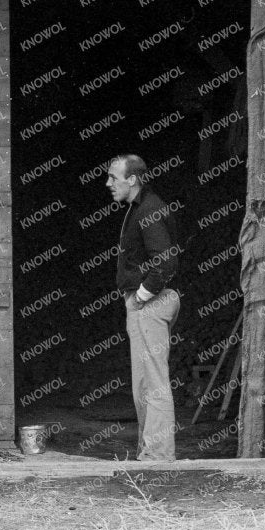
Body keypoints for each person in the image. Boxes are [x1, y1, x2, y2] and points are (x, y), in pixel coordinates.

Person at [105, 154, 181, 463]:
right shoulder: (140, 207)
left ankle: (159, 454)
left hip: (151, 303)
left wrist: (140, 296)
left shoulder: (149, 209)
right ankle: (149, 452)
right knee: (143, 384)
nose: (109, 183)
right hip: (146, 304)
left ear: (132, 179)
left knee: (154, 382)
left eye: (114, 177)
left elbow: (166, 261)